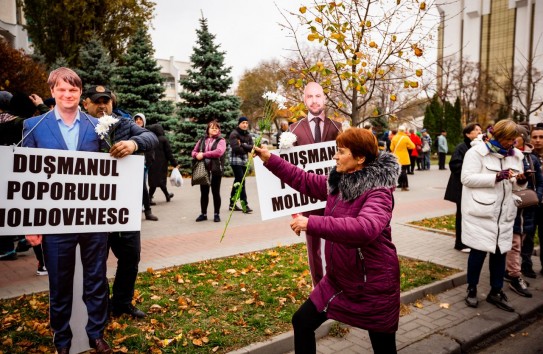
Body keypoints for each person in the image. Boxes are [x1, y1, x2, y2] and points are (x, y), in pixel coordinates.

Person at [254, 128, 401, 354]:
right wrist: (269, 159)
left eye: (341, 152)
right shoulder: (341, 181)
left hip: (372, 283)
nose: (335, 156)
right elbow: (302, 179)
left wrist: (311, 223)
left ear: (360, 158)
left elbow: (365, 229)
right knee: (302, 321)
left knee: (383, 348)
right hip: (338, 279)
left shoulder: (379, 192)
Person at [23, 68, 122, 353]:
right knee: (59, 281)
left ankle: (96, 333)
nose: (68, 95)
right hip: (55, 220)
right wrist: (31, 222)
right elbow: (27, 176)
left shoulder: (97, 125)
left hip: (92, 218)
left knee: (95, 278)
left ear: (81, 94)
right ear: (52, 91)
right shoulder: (33, 125)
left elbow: (109, 169)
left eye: (74, 90)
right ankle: (62, 339)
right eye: (62, 90)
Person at [82, 85, 158, 320]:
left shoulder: (123, 124)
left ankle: (122, 302)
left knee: (130, 256)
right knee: (96, 261)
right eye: (97, 101)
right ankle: (100, 306)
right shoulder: (78, 126)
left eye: (107, 101)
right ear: (86, 103)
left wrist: (134, 144)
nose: (103, 105)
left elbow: (151, 136)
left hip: (123, 207)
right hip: (92, 208)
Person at [461, 119, 525, 312]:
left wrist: (521, 180)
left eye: (514, 139)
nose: (511, 143)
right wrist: (496, 176)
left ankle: (496, 291)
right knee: (478, 252)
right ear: (498, 136)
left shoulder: (516, 156)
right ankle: (471, 289)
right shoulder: (476, 153)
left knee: (500, 252)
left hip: (504, 213)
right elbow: (467, 178)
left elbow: (516, 185)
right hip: (482, 212)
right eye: (508, 139)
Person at [288, 81, 342, 286]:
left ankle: (336, 283)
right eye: (309, 96)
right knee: (313, 247)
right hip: (307, 198)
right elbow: (288, 169)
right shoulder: (294, 129)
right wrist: (295, 210)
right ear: (304, 100)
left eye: (318, 96)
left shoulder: (337, 127)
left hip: (334, 195)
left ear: (324, 99)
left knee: (336, 243)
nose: (314, 100)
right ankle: (318, 287)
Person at [504, 130, 543, 298]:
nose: (515, 147)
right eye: (512, 143)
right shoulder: (505, 158)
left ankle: (516, 271)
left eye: (517, 143)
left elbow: (539, 181)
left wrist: (537, 197)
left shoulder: (531, 159)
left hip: (529, 206)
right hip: (511, 207)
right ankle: (515, 273)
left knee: (524, 238)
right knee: (515, 242)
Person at [444, 123, 482, 252]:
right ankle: (460, 243)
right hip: (460, 187)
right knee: (462, 215)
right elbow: (454, 164)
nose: (479, 132)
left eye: (480, 130)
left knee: (471, 216)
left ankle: (470, 241)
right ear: (467, 134)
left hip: (472, 187)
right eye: (476, 130)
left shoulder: (480, 147)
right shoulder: (462, 147)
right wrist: (469, 174)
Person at [192, 120, 226, 222]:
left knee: (216, 192)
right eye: (212, 127)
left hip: (216, 170)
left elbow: (219, 152)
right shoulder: (202, 140)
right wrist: (196, 155)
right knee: (204, 192)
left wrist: (203, 154)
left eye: (216, 128)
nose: (214, 129)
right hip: (204, 169)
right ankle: (203, 214)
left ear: (219, 130)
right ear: (208, 130)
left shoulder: (221, 140)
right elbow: (194, 151)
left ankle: (216, 214)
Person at [521, 125, 543, 278]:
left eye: (541, 137)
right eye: (534, 137)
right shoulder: (526, 156)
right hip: (529, 204)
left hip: (541, 202)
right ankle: (526, 266)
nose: (538, 140)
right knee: (527, 236)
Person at [133, 113, 158, 221]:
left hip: (143, 166)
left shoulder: (147, 134)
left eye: (140, 119)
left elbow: (151, 149)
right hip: (131, 165)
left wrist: (148, 162)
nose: (138, 121)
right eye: (136, 119)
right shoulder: (131, 131)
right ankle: (133, 212)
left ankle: (148, 211)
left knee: (143, 188)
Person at [146, 123, 178, 204]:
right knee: (161, 180)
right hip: (162, 164)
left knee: (153, 181)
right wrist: (174, 163)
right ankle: (152, 198)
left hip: (152, 163)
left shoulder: (151, 139)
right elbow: (169, 153)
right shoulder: (164, 139)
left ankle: (164, 195)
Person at [228, 116, 254, 213]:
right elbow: (236, 149)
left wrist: (242, 144)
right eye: (243, 123)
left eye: (246, 123)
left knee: (238, 181)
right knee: (241, 181)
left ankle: (232, 203)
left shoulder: (248, 135)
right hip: (235, 160)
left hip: (243, 160)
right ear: (239, 124)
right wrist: (245, 147)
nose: (245, 125)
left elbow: (252, 148)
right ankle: (245, 205)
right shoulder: (234, 134)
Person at [390, 125, 415, 191]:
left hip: (396, 156)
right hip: (404, 156)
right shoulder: (406, 138)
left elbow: (391, 148)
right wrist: (406, 146)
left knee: (399, 171)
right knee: (404, 171)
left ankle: (400, 183)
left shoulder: (394, 137)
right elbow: (412, 146)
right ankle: (404, 186)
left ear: (398, 130)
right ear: (404, 131)